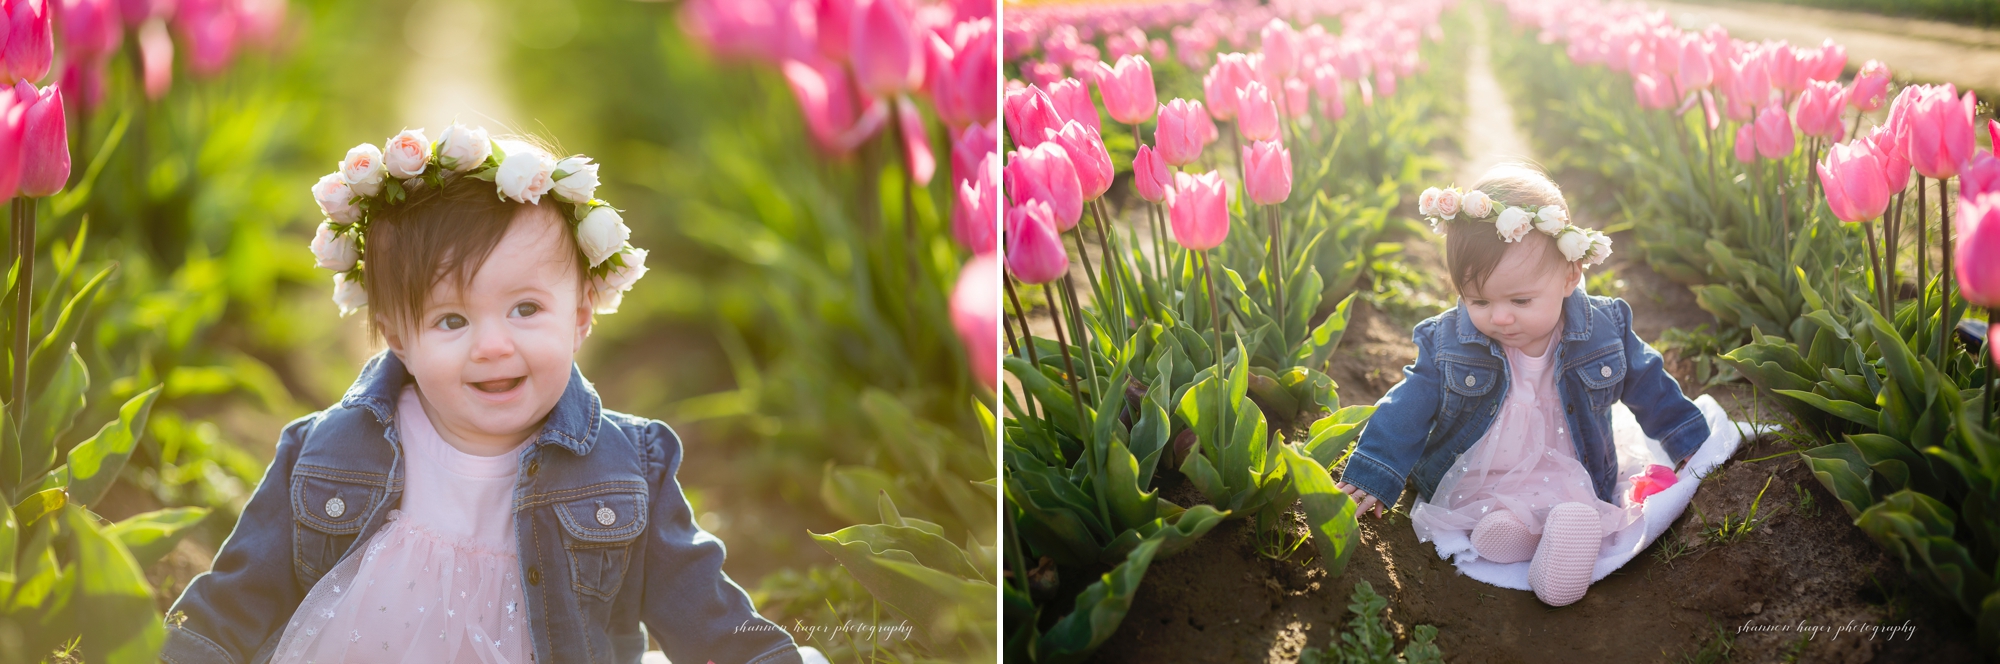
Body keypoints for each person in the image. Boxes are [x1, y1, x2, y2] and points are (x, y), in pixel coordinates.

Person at [160, 125, 809, 663]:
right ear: (397, 337)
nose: (493, 345)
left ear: (581, 315)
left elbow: (707, 616)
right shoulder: (328, 454)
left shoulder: (627, 470)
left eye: (526, 309)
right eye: (452, 320)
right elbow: (232, 605)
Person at [1333, 163, 1709, 607]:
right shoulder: (1449, 341)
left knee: (1571, 495)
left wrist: (1687, 441)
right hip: (1481, 469)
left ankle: (1569, 529)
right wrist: (1376, 470)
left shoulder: (1605, 328)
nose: (1501, 317)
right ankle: (1516, 532)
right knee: (1493, 514)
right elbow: (1408, 405)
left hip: (1570, 459)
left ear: (1570, 276)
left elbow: (1649, 382)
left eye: (1521, 300)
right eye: (1479, 300)